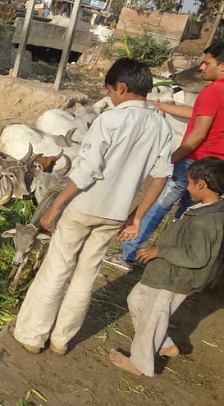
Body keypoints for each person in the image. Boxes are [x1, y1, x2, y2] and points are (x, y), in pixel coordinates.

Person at [12, 58, 174, 355]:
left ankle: (33, 336)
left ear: (121, 88)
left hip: (83, 206)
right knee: (87, 274)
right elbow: (161, 177)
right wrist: (136, 218)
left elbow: (87, 171)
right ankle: (61, 340)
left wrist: (56, 205)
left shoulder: (109, 120)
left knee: (57, 269)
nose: (110, 97)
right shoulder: (161, 127)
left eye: (110, 91)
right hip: (114, 213)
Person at [104, 43, 224, 271]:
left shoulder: (213, 91)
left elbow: (198, 133)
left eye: (207, 62)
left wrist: (172, 158)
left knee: (157, 205)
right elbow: (198, 114)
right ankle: (172, 260)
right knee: (190, 215)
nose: (202, 66)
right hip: (217, 168)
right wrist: (161, 105)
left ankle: (128, 254)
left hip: (194, 162)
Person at [110, 157, 224, 376]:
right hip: (167, 272)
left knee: (154, 318)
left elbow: (197, 257)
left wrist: (159, 251)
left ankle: (140, 364)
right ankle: (165, 345)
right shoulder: (205, 209)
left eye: (190, 183)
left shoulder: (206, 221)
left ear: (201, 184)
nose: (187, 187)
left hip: (177, 278)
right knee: (137, 300)